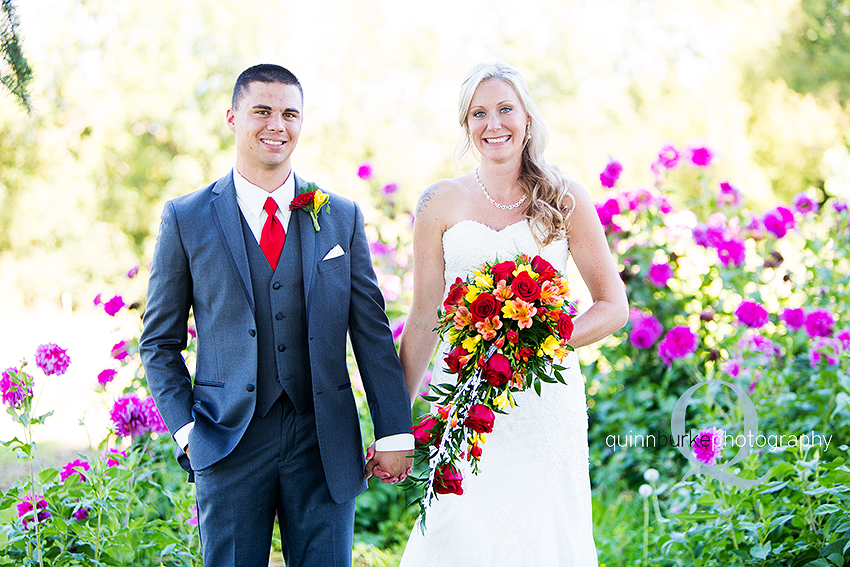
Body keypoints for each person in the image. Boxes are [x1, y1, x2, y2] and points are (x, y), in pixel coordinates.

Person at [139, 63, 414, 567]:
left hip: (323, 440)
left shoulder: (341, 216)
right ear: (232, 117)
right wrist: (187, 432)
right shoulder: (187, 217)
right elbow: (159, 342)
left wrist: (395, 431)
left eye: (290, 113)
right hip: (227, 441)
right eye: (261, 111)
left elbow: (371, 332)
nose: (277, 125)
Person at [398, 61, 629, 566]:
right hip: (465, 398)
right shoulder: (440, 201)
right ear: (466, 125)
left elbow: (613, 306)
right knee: (458, 529)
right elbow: (422, 318)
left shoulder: (565, 198)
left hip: (544, 403)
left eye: (505, 109)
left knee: (544, 532)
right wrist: (394, 421)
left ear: (527, 117)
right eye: (479, 113)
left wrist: (541, 339)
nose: (493, 123)